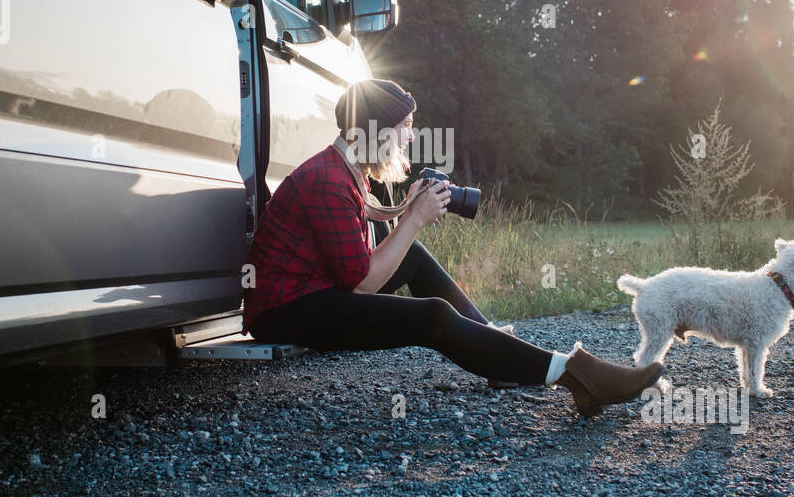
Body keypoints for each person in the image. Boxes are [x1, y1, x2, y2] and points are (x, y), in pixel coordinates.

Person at [242, 79, 664, 417]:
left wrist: (406, 211)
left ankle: (493, 346)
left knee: (411, 255)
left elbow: (363, 260)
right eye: (402, 128)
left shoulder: (345, 171)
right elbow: (361, 285)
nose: (409, 138)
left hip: (313, 295)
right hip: (286, 312)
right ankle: (576, 377)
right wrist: (414, 218)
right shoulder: (328, 181)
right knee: (432, 316)